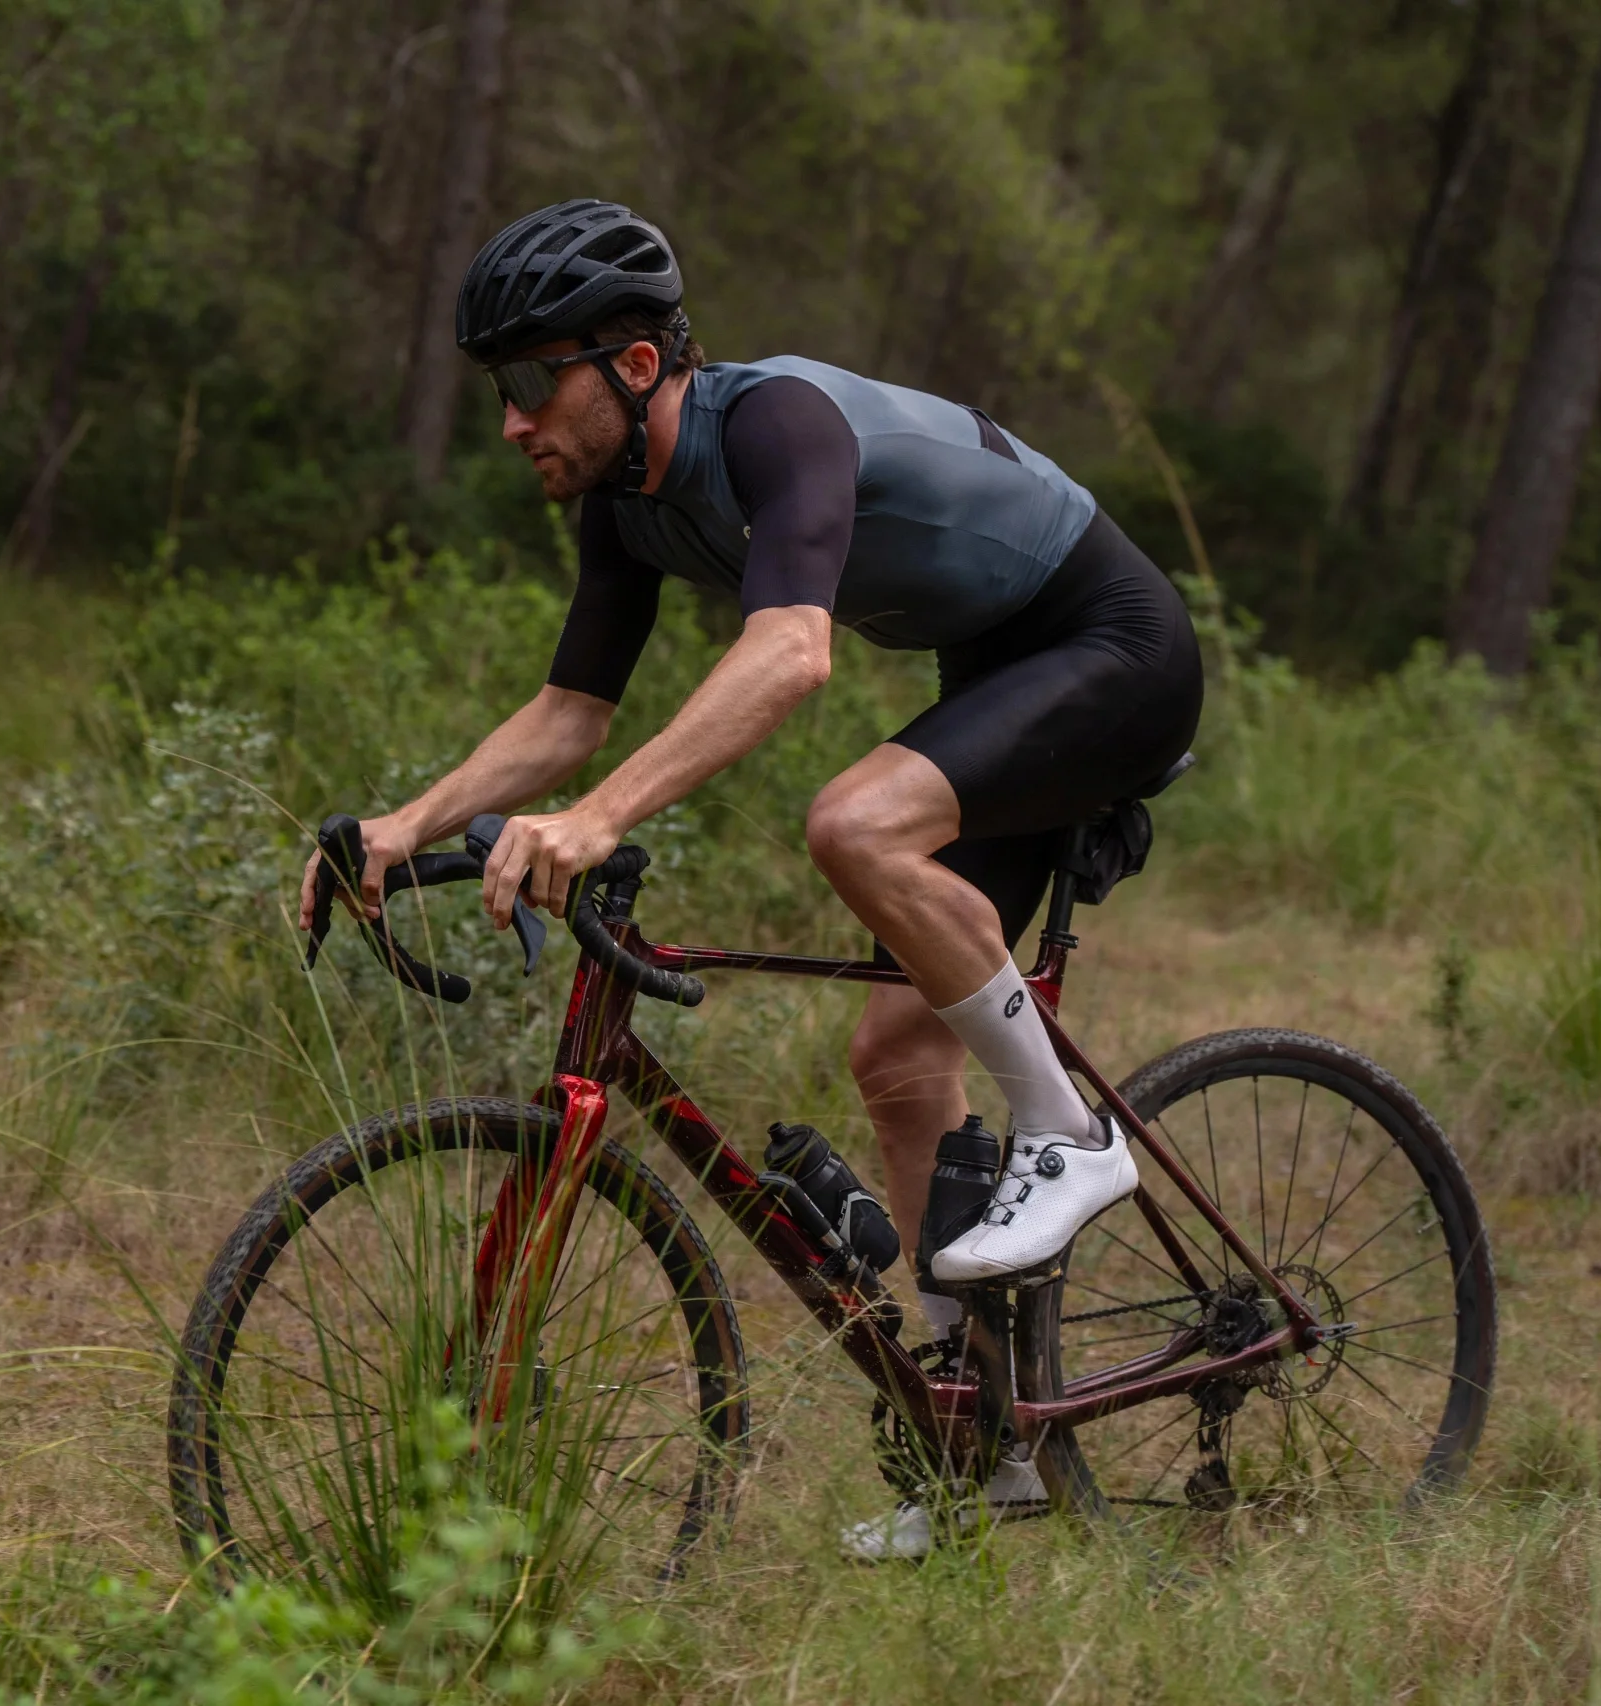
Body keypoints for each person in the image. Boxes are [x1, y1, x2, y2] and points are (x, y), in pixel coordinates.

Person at [295, 198, 1201, 1558]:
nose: (513, 421)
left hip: (1116, 646)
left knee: (856, 824)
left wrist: (596, 821)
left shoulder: (778, 423)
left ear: (635, 366)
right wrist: (405, 822)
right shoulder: (625, 507)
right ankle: (986, 1442)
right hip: (1000, 671)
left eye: (534, 381)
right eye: (499, 389)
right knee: (897, 1056)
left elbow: (792, 651)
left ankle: (1068, 1134)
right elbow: (570, 712)